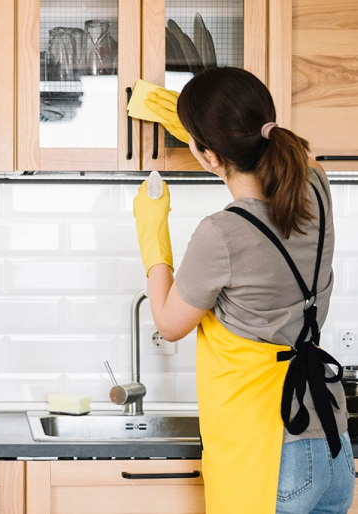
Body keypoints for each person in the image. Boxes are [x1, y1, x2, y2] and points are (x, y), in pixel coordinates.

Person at [132, 67, 354, 514]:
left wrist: (152, 233)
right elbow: (273, 148)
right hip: (332, 445)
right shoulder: (317, 188)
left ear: (208, 155)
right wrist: (205, 131)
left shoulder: (223, 234)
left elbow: (168, 325)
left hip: (269, 456)